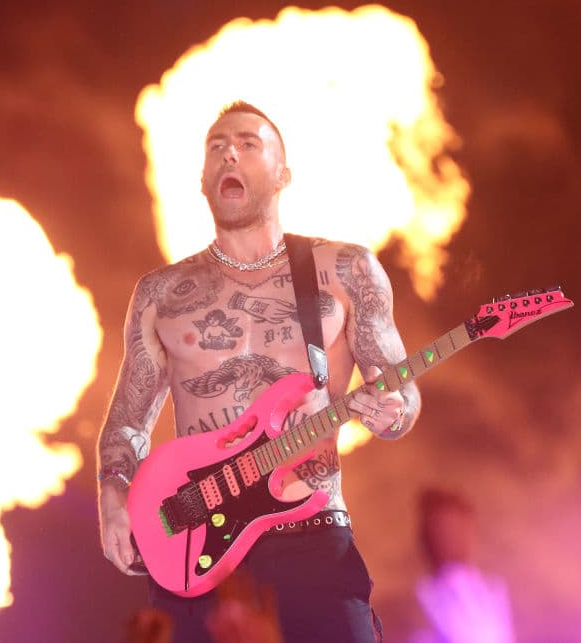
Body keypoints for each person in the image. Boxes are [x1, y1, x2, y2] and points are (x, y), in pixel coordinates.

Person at [97, 100, 420, 642]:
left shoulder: (344, 270)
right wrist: (112, 496)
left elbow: (399, 395)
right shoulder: (161, 294)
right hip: (199, 553)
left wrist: (390, 410)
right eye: (217, 145)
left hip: (311, 537)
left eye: (250, 143)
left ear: (282, 174)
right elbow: (129, 420)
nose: (230, 152)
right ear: (203, 178)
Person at [410, 488, 514, 643]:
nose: (449, 538)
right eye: (441, 530)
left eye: (456, 529)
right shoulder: (419, 600)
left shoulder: (494, 591)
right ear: (425, 537)